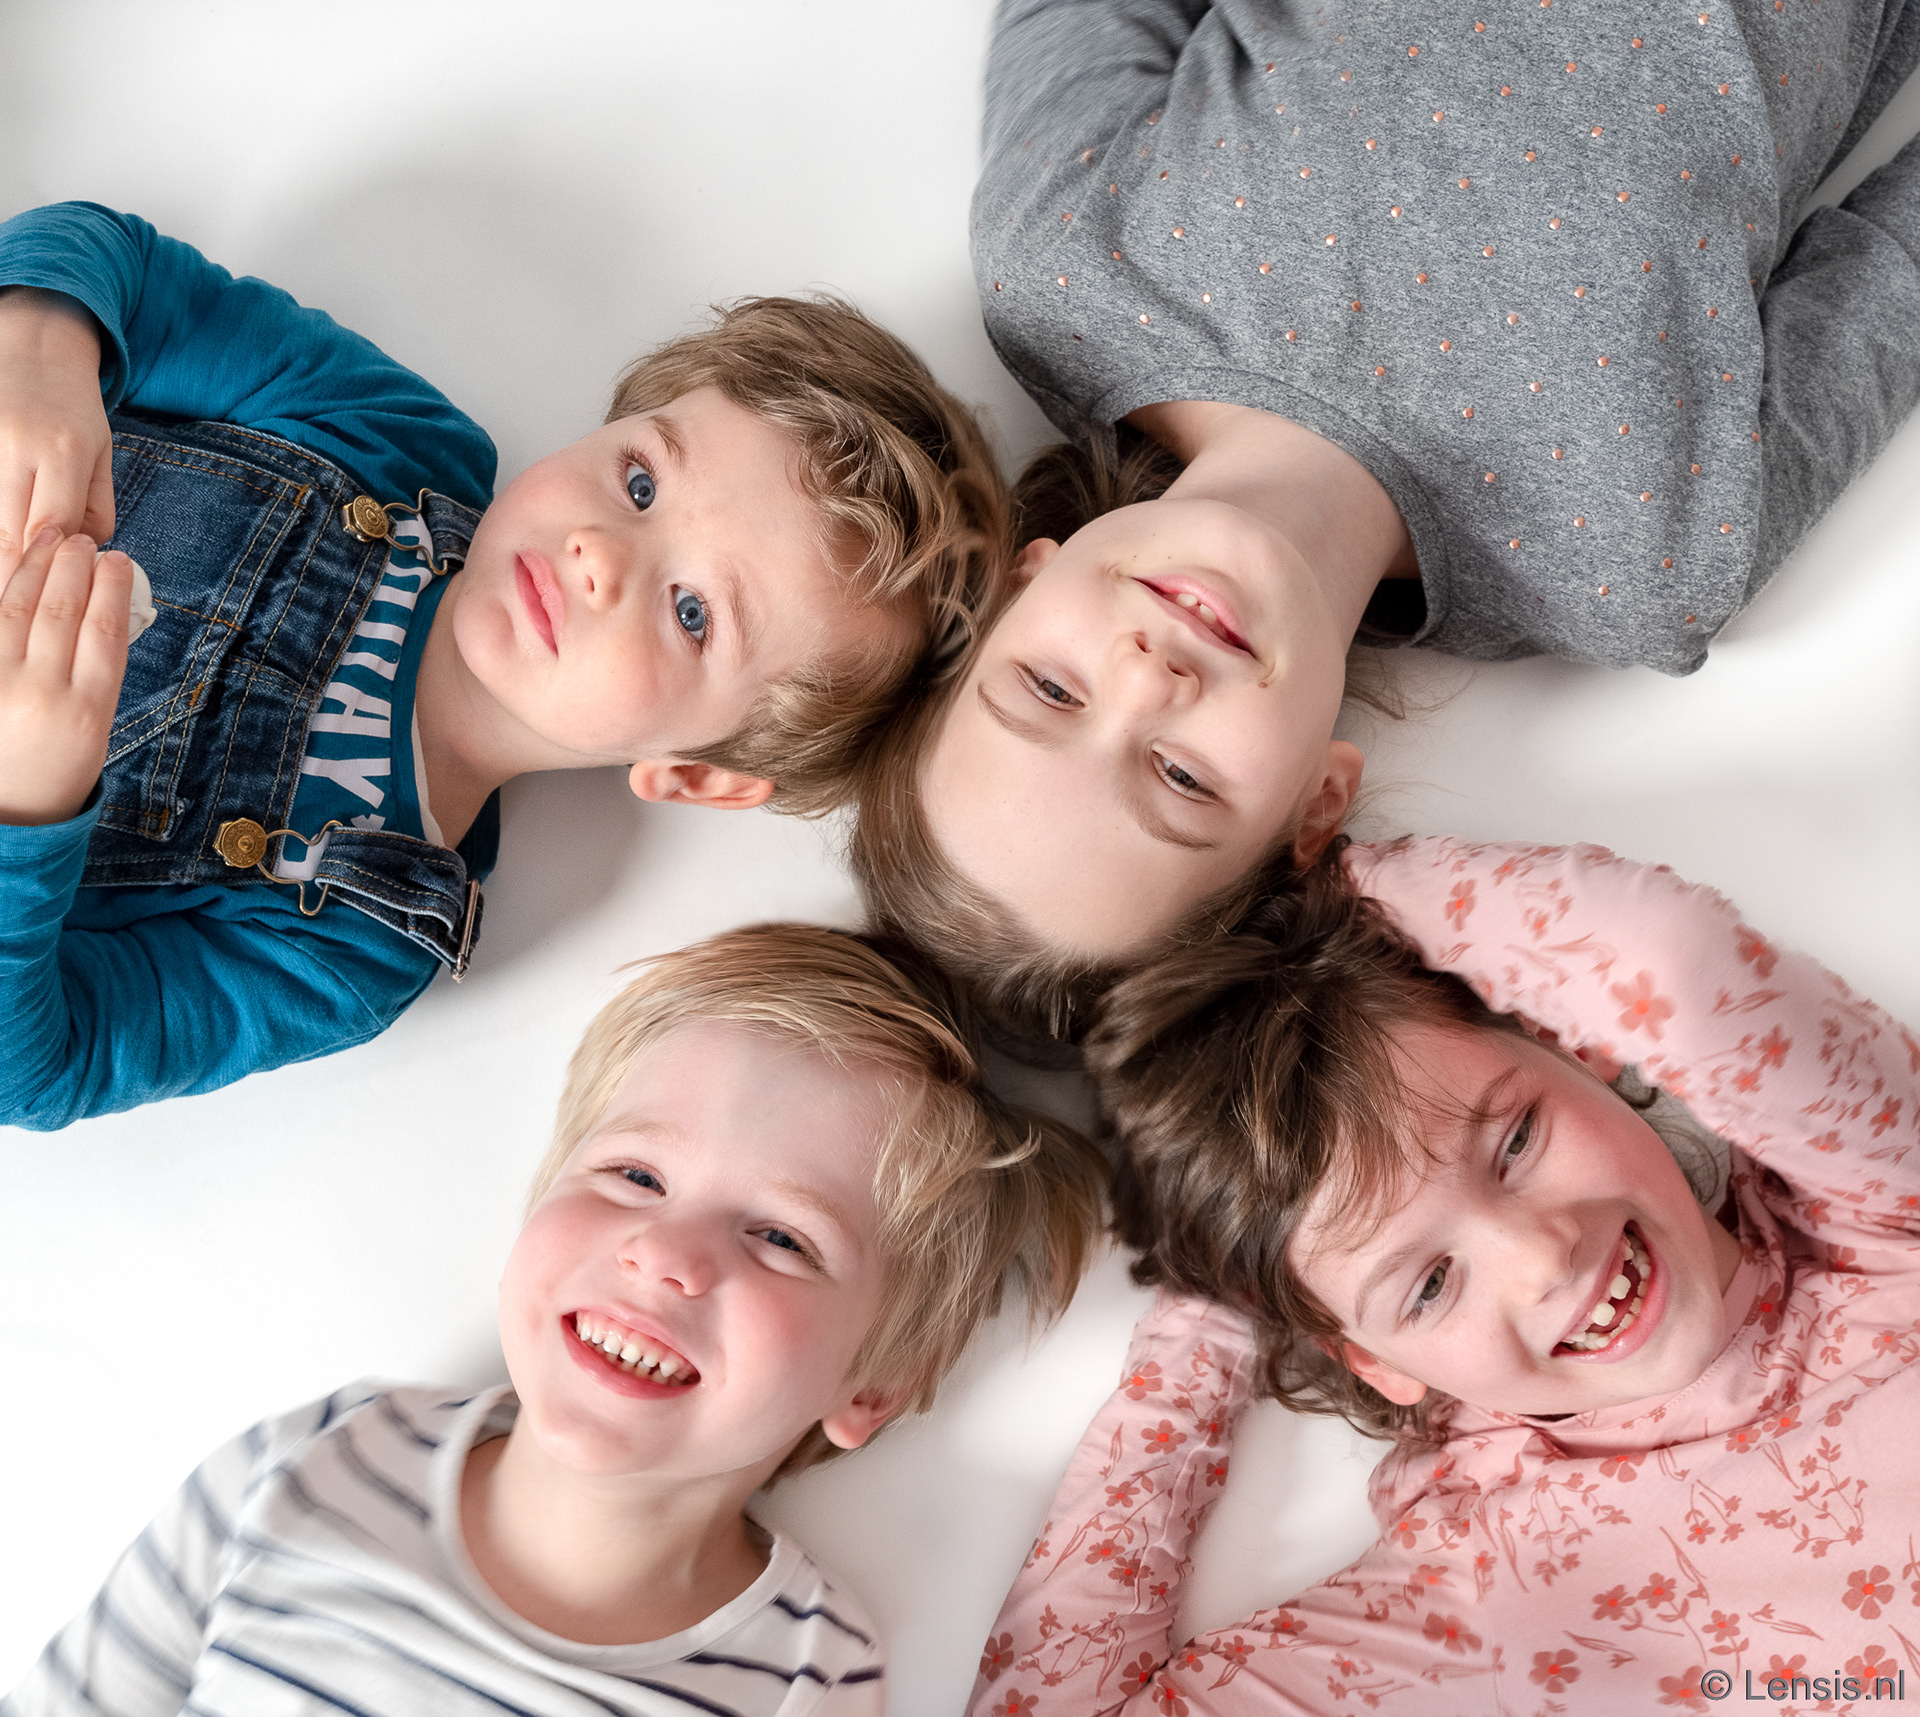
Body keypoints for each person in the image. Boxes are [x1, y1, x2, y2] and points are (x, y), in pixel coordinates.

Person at [851, 0, 1920, 1038]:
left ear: (1020, 579)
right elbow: (1899, 265)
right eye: (1181, 777)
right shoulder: (1637, 565)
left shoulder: (1063, 265)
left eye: (1049, 688)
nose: (1148, 679)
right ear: (1317, 805)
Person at [0, 201, 1007, 1128]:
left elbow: (34, 1066)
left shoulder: (350, 942)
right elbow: (115, 262)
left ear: (694, 772)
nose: (600, 554)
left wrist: (29, 804)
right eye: (641, 482)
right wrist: (41, 346)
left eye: (692, 611)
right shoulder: (396, 443)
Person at [3, 922, 1105, 1717]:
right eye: (636, 1175)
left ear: (872, 1384)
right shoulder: (319, 1459)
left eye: (782, 1237)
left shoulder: (806, 1678)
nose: (666, 1255)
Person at [967, 838, 1920, 1714]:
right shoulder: (1488, 1580)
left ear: (1570, 1042)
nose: (1542, 1258)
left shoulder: (1878, 1210)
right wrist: (1214, 1298)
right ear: (1374, 1360)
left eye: (1517, 1142)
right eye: (1427, 1285)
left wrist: (1346, 878)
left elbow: (1675, 959)